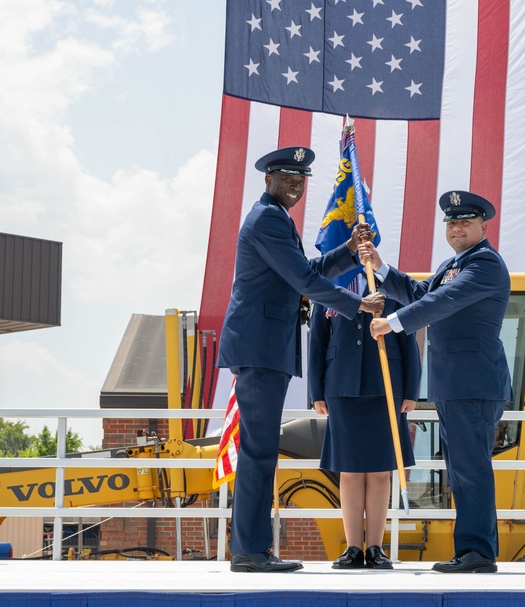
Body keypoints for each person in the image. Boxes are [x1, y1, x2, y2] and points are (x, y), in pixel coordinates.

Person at [217, 146, 385, 573]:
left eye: (302, 178)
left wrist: (348, 250)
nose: (297, 184)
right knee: (258, 452)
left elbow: (306, 269)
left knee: (260, 451)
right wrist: (357, 305)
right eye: (288, 176)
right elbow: (305, 279)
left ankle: (252, 548)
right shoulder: (268, 218)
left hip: (265, 347)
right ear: (268, 178)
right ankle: (250, 551)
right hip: (260, 348)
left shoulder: (275, 217)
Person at [362, 190, 510, 573]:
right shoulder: (452, 264)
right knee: (461, 469)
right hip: (452, 384)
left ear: (484, 226)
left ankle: (477, 552)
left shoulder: (486, 264)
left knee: (471, 468)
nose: (456, 226)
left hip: (473, 384)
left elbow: (440, 303)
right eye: (450, 221)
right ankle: (470, 550)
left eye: (464, 220)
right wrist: (381, 269)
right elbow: (420, 292)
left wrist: (392, 324)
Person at [308, 276, 420, 570]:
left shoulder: (392, 287)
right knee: (350, 471)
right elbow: (317, 343)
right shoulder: (329, 289)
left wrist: (411, 391)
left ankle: (375, 547)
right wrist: (316, 392)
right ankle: (353, 547)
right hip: (342, 388)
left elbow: (409, 342)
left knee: (381, 472)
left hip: (386, 387)